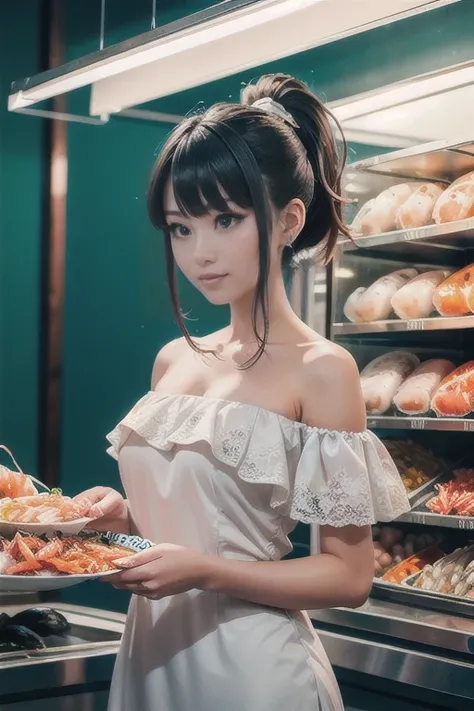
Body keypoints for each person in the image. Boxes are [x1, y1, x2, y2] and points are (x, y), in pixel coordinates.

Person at [74, 73, 410, 711]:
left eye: (225, 219)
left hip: (255, 676)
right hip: (150, 664)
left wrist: (206, 572)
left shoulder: (322, 368)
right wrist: (122, 519)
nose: (200, 252)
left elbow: (349, 575)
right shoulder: (173, 360)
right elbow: (183, 531)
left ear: (288, 221)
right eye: (180, 227)